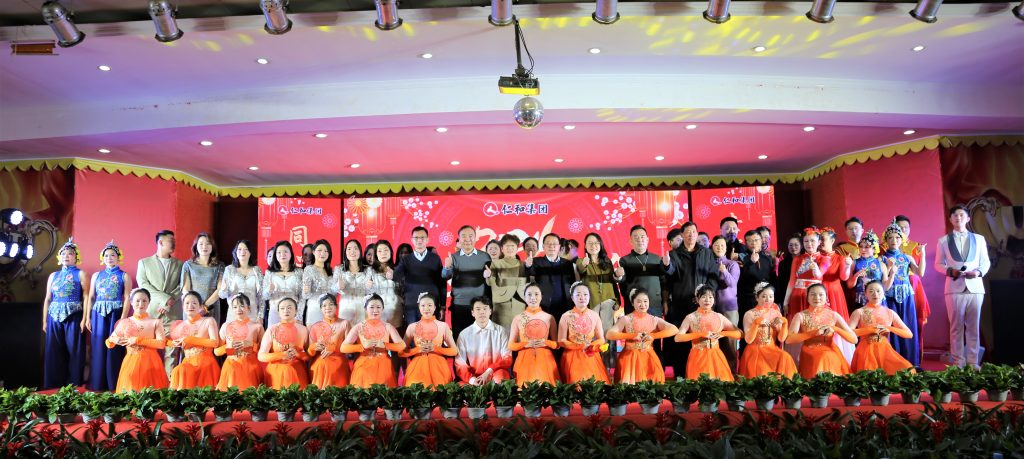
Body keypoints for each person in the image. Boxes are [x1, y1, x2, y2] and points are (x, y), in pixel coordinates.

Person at [934, 205, 990, 369]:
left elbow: (985, 262)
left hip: (975, 287)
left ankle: (973, 362)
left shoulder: (979, 239)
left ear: (968, 218)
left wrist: (978, 273)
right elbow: (938, 264)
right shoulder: (943, 241)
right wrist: (951, 271)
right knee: (956, 327)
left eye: (961, 215)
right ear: (950, 219)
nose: (958, 218)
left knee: (973, 326)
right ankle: (958, 362)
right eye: (955, 215)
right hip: (954, 287)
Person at [665, 221, 719, 377]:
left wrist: (705, 296)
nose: (691, 235)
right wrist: (667, 265)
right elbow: (670, 273)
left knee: (701, 339)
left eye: (694, 232)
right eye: (687, 232)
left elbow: (713, 276)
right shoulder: (674, 254)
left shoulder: (706, 253)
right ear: (682, 235)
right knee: (681, 340)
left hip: (702, 305)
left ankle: (701, 375)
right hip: (680, 304)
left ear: (697, 233)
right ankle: (681, 375)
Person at [42, 238, 89, 389]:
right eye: (63, 254)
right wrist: (44, 321)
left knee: (74, 350)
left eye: (70, 253)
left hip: (74, 315)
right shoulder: (53, 276)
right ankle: (53, 385)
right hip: (54, 316)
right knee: (53, 350)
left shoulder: (81, 274)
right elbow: (48, 298)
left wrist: (84, 319)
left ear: (76, 257)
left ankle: (73, 384)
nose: (66, 256)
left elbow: (87, 297)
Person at [84, 240, 130, 391]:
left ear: (118, 257)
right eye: (106, 256)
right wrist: (88, 317)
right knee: (98, 346)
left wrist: (123, 319)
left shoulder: (124, 276)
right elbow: (91, 297)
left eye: (112, 255)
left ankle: (113, 383)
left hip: (116, 314)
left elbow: (127, 298)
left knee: (114, 347)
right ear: (102, 258)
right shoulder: (96, 275)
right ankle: (97, 382)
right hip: (98, 313)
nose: (109, 258)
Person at [136, 230, 183, 376]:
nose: (174, 244)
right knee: (148, 349)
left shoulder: (180, 264)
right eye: (171, 241)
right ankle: (149, 380)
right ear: (161, 242)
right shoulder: (144, 263)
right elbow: (144, 284)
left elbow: (181, 286)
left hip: (173, 312)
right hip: (151, 312)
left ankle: (169, 382)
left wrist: (169, 302)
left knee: (172, 351)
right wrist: (164, 299)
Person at [607, 288, 679, 383]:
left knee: (652, 385)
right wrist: (632, 336)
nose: (643, 304)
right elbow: (609, 334)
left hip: (648, 358)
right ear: (632, 303)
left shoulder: (654, 319)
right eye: (639, 302)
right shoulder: (626, 319)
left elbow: (674, 329)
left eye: (645, 301)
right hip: (630, 358)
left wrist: (653, 336)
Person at [787, 283, 856, 378]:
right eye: (813, 294)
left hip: (830, 350)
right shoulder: (800, 316)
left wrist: (835, 329)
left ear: (826, 298)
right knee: (823, 356)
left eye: (821, 295)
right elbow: (789, 339)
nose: (817, 298)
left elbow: (854, 339)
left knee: (828, 355)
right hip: (809, 351)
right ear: (807, 298)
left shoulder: (834, 315)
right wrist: (814, 333)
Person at [108, 288, 169, 392]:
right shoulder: (125, 322)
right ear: (131, 302)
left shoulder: (156, 322)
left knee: (151, 395)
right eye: (137, 301)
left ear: (149, 302)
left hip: (151, 363)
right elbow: (109, 342)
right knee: (130, 394)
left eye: (144, 301)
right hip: (131, 362)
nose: (141, 304)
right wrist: (115, 340)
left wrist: (138, 340)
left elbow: (161, 344)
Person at [674, 284, 740, 381]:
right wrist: (701, 334)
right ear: (697, 299)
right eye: (704, 297)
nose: (707, 300)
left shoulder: (719, 317)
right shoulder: (691, 317)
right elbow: (678, 338)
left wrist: (722, 334)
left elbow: (739, 333)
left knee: (720, 385)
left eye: (710, 297)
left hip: (716, 357)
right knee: (699, 386)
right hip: (697, 357)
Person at [341, 294, 406, 387]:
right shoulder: (358, 327)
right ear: (365, 309)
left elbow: (402, 345)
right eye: (371, 307)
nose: (375, 310)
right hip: (363, 364)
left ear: (383, 309)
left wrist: (385, 345)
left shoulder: (388, 327)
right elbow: (343, 348)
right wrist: (362, 346)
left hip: (383, 364)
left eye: (378, 307)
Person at [849, 280, 914, 374]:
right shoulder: (859, 312)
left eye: (878, 291)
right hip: (866, 350)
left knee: (908, 370)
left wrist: (889, 328)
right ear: (865, 294)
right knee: (870, 376)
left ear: (883, 293)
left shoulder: (890, 312)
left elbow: (909, 334)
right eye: (871, 291)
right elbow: (849, 333)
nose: (875, 294)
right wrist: (869, 330)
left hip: (885, 350)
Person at [576, 232, 620, 370]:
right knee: (593, 335)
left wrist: (617, 300)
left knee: (607, 335)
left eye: (596, 243)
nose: (593, 246)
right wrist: (584, 265)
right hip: (591, 303)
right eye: (590, 243)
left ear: (600, 245)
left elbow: (613, 282)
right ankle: (593, 366)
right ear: (585, 246)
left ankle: (607, 367)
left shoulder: (607, 262)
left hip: (608, 301)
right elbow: (580, 272)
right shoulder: (581, 261)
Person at [892, 215, 931, 362]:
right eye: (899, 227)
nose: (902, 230)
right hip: (892, 288)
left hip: (912, 287)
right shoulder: (884, 248)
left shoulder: (916, 247)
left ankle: (914, 359)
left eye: (905, 227)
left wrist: (923, 253)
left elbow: (920, 272)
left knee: (914, 322)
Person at [737, 282, 797, 378]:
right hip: (755, 349)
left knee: (785, 357)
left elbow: (781, 339)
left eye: (771, 296)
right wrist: (756, 323)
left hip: (771, 349)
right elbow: (748, 340)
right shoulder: (750, 314)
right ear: (757, 298)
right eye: (764, 296)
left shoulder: (776, 313)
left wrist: (785, 323)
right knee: (762, 368)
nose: (768, 299)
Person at [881, 222, 921, 367]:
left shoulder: (908, 257)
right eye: (890, 237)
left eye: (897, 237)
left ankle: (911, 362)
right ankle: (894, 363)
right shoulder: (882, 259)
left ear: (902, 239)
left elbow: (920, 273)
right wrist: (889, 268)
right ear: (886, 240)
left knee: (908, 325)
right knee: (892, 328)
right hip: (890, 296)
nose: (894, 240)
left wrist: (922, 254)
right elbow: (883, 281)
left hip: (906, 295)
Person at [443, 225, 491, 338]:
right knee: (459, 336)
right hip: (459, 304)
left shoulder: (485, 256)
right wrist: (447, 267)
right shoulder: (453, 257)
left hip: (480, 306)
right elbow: (445, 276)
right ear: (459, 239)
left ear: (475, 238)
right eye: (463, 236)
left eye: (470, 236)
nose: (467, 239)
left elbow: (490, 281)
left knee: (480, 337)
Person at [508, 282, 560, 386]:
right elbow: (511, 345)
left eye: (536, 294)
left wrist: (545, 342)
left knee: (546, 391)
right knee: (525, 391)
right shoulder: (518, 318)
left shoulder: (549, 317)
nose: (533, 297)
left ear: (541, 296)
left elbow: (557, 345)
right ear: (524, 297)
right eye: (529, 294)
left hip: (545, 360)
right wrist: (526, 344)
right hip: (524, 360)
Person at [401, 293, 458, 386]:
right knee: (415, 386)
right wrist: (417, 349)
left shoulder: (443, 326)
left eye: (430, 305)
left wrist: (435, 348)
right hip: (417, 366)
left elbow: (454, 351)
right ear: (419, 307)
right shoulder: (412, 327)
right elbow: (401, 352)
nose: (426, 308)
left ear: (435, 307)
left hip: (439, 367)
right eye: (423, 305)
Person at [558, 282, 610, 383]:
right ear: (572, 298)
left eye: (585, 294)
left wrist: (591, 346)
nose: (582, 297)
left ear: (589, 296)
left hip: (590, 354)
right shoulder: (566, 316)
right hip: (572, 356)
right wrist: (578, 346)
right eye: (578, 295)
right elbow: (561, 340)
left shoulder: (594, 315)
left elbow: (601, 339)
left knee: (594, 384)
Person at [616, 225, 672, 317]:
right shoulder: (624, 260)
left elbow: (664, 283)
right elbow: (622, 281)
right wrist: (618, 276)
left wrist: (665, 302)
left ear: (647, 239)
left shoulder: (657, 259)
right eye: (636, 237)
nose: (640, 240)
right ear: (631, 241)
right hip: (633, 306)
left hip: (654, 304)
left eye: (642, 237)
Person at [394, 226, 447, 323]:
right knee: (413, 331)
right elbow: (396, 277)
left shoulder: (435, 258)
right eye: (416, 238)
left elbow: (441, 283)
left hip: (431, 305)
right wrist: (391, 274)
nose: (419, 240)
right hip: (411, 305)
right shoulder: (406, 260)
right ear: (412, 240)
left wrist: (442, 305)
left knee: (432, 331)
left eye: (422, 237)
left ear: (427, 239)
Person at [168, 291, 220, 389]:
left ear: (200, 306)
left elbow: (214, 342)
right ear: (183, 306)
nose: (190, 306)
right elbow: (166, 341)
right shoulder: (181, 325)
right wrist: (175, 343)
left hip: (205, 364)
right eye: (187, 303)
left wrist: (190, 339)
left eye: (194, 303)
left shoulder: (208, 321)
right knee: (179, 370)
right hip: (187, 364)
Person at [455, 297, 512, 385]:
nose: (482, 312)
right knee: (460, 387)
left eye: (485, 308)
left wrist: (489, 370)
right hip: (474, 377)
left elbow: (507, 358)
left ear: (490, 311)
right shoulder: (464, 335)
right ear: (472, 313)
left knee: (501, 379)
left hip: (495, 374)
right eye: (478, 309)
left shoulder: (501, 331)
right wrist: (473, 380)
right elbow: (460, 363)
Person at [216, 293, 264, 391]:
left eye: (242, 306)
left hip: (250, 365)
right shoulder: (226, 326)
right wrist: (228, 346)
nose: (238, 309)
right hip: (231, 364)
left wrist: (251, 344)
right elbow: (217, 352)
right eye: (235, 307)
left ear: (248, 308)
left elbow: (263, 351)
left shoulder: (257, 327)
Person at [258, 297, 310, 389]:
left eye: (289, 308)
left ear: (296, 311)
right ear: (278, 312)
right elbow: (261, 356)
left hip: (297, 372)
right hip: (276, 372)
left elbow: (309, 355)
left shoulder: (303, 329)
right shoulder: (272, 329)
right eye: (282, 308)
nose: (286, 311)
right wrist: (281, 355)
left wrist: (298, 354)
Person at [736, 229, 776, 345]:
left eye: (756, 240)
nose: (753, 243)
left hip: (765, 301)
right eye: (750, 241)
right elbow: (741, 280)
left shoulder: (767, 258)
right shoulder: (741, 258)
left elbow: (770, 279)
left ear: (761, 240)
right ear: (746, 243)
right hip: (747, 300)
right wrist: (751, 263)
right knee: (748, 332)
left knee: (765, 331)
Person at [525, 233, 577, 319]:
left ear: (559, 246)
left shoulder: (567, 263)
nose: (551, 246)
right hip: (544, 306)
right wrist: (528, 266)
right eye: (548, 243)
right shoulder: (536, 262)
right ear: (543, 246)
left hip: (565, 306)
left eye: (554, 244)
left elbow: (572, 284)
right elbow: (530, 274)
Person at [307, 294, 351, 387]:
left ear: (336, 306)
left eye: (331, 304)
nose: (328, 307)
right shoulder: (316, 326)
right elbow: (310, 353)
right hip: (321, 360)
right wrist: (314, 347)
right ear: (321, 308)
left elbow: (349, 349)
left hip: (338, 359)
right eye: (324, 305)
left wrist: (335, 348)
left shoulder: (345, 323)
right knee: (319, 365)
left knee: (332, 367)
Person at [710, 235, 741, 369]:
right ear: (712, 247)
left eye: (722, 245)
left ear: (726, 248)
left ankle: (731, 372)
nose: (719, 248)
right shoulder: (710, 263)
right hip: (712, 309)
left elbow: (732, 283)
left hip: (729, 308)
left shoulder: (732, 264)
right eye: (716, 245)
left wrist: (724, 271)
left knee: (729, 341)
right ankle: (716, 371)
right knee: (713, 340)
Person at [180, 232, 224, 323]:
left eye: (208, 243)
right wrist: (195, 305)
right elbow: (185, 289)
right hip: (191, 308)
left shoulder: (219, 266)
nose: (204, 247)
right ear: (196, 246)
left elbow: (220, 289)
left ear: (212, 246)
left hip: (211, 307)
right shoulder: (188, 265)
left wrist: (205, 306)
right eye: (201, 244)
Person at [782, 227, 826, 320]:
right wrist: (786, 301)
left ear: (819, 242)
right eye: (806, 241)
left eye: (812, 241)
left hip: (815, 296)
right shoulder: (797, 259)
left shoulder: (825, 259)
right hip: (797, 295)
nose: (809, 244)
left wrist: (815, 268)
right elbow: (792, 281)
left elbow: (819, 276)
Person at [485, 234, 527, 330]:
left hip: (519, 304)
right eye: (507, 246)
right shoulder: (496, 264)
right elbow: (490, 283)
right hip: (502, 306)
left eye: (512, 246)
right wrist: (488, 276)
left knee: (519, 333)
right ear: (502, 249)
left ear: (517, 248)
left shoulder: (523, 265)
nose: (510, 249)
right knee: (501, 333)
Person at [218, 240, 263, 323]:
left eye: (246, 249)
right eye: (239, 249)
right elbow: (222, 295)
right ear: (235, 252)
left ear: (250, 252)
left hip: (252, 312)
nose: (242, 252)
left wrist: (260, 315)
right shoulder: (229, 269)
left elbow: (261, 296)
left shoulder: (257, 270)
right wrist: (223, 289)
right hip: (235, 312)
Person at [262, 241, 303, 328]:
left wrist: (299, 315)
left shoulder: (299, 272)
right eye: (279, 252)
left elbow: (302, 296)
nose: (282, 255)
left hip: (293, 313)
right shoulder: (269, 273)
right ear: (275, 255)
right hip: (275, 312)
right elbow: (264, 296)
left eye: (285, 252)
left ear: (291, 254)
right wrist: (268, 290)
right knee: (274, 335)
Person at [366, 240, 402, 329]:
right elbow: (366, 292)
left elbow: (403, 291)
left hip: (395, 313)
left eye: (386, 250)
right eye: (379, 251)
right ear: (376, 254)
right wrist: (368, 286)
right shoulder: (370, 271)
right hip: (377, 313)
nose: (383, 253)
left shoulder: (398, 269)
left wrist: (394, 278)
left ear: (391, 252)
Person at [847, 231, 889, 308]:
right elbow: (849, 285)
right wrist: (856, 276)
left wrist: (892, 274)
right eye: (861, 246)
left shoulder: (881, 265)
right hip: (861, 299)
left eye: (867, 247)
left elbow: (885, 287)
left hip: (877, 298)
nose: (863, 249)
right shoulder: (854, 263)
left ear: (874, 249)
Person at [334, 240, 369, 324]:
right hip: (346, 310)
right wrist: (338, 286)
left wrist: (370, 286)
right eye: (349, 249)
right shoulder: (339, 269)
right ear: (345, 252)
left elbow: (372, 291)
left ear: (360, 251)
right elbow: (332, 290)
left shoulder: (368, 270)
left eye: (355, 248)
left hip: (363, 311)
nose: (352, 251)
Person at [301, 239, 334, 325]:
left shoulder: (331, 271)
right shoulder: (309, 269)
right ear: (313, 252)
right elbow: (305, 295)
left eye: (326, 251)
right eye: (319, 250)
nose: (323, 253)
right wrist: (306, 290)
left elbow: (334, 293)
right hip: (314, 309)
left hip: (328, 310)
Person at [774, 234, 803, 305]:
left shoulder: (806, 261)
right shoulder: (783, 263)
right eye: (790, 245)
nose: (793, 247)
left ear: (801, 246)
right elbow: (781, 283)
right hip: (787, 295)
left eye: (796, 245)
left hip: (802, 293)